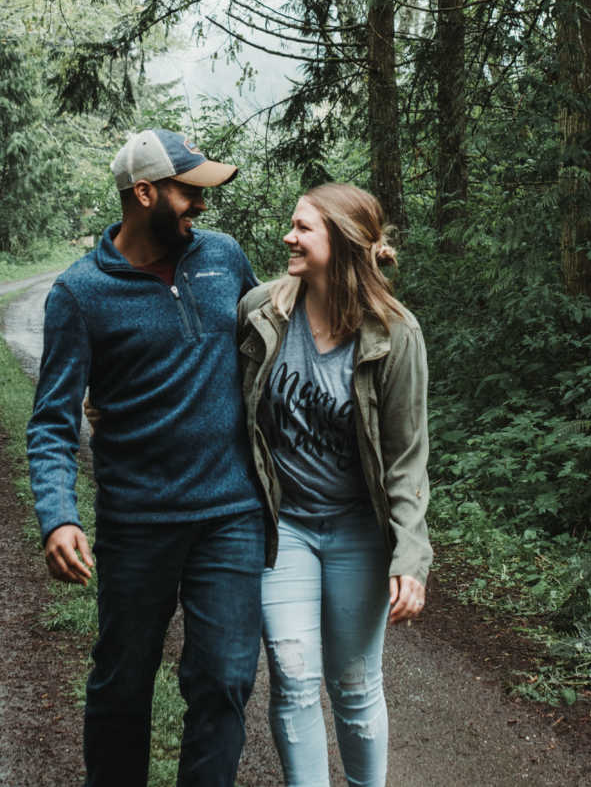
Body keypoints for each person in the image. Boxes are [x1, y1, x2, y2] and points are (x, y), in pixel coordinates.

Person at [26, 128, 265, 787]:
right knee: (122, 687)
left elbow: (279, 331)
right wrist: (58, 516)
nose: (202, 207)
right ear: (145, 192)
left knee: (223, 682)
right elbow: (51, 421)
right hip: (139, 522)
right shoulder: (79, 294)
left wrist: (352, 266)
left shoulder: (224, 258)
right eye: (191, 193)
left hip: (231, 514)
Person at [237, 182, 432, 787]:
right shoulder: (262, 312)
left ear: (343, 244)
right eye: (291, 226)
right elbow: (216, 397)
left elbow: (405, 461)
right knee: (294, 678)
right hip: (284, 524)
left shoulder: (395, 335)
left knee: (353, 683)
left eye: (303, 229)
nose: (288, 238)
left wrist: (411, 556)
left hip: (357, 532)